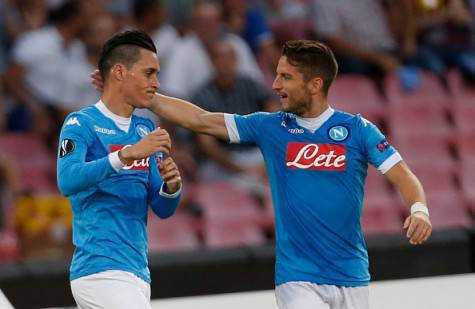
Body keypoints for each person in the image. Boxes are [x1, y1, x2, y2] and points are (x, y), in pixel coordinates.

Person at [92, 39, 432, 309]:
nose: (274, 83)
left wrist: (419, 209)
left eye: (285, 77)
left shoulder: (358, 130)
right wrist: (146, 97)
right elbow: (201, 120)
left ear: (315, 84)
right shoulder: (271, 127)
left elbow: (404, 177)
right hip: (298, 278)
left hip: (353, 275)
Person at [58, 29, 182, 309]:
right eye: (149, 73)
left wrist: (171, 187)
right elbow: (67, 180)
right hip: (99, 268)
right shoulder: (81, 123)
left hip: (137, 271)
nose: (156, 82)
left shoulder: (145, 128)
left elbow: (162, 208)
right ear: (119, 72)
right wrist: (128, 154)